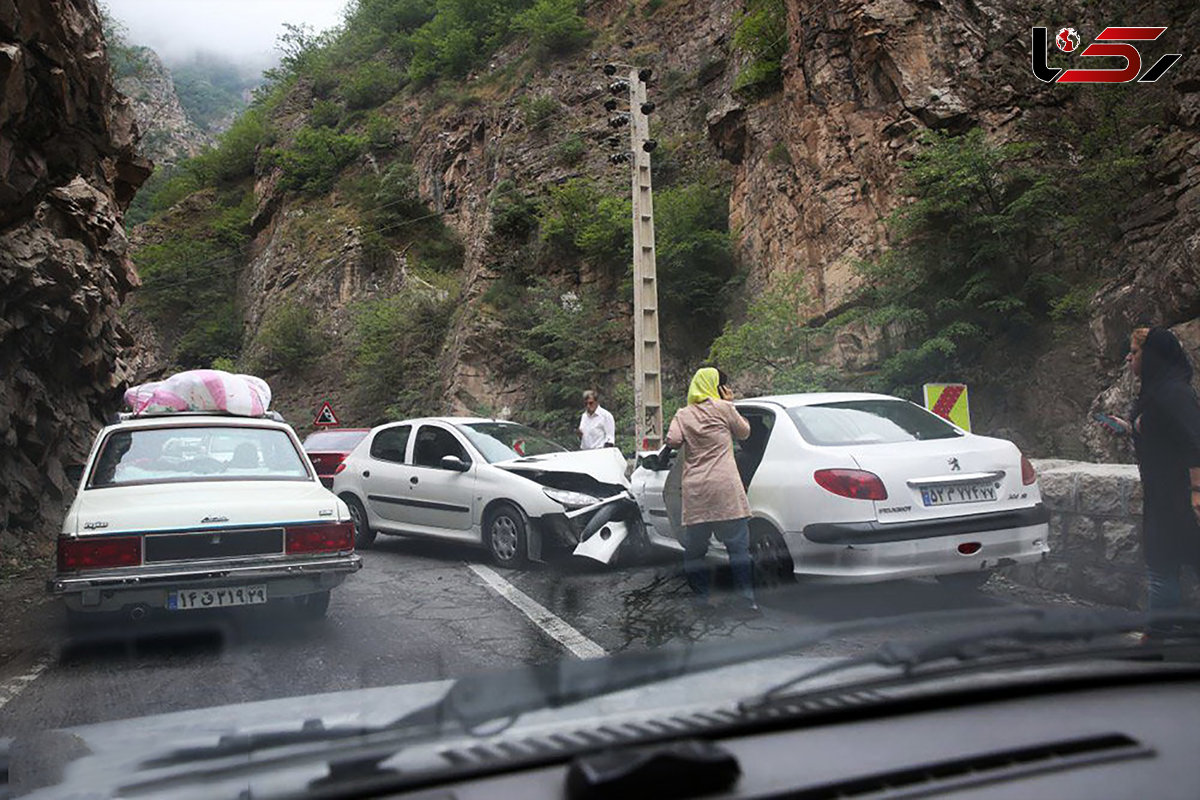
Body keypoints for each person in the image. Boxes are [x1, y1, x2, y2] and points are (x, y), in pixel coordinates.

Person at [1102, 327, 1200, 622]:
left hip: (1181, 500)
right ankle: (1162, 638)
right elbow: (1163, 434)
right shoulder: (1157, 392)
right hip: (1163, 497)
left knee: (1163, 567)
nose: (1129, 358)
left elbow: (1194, 442)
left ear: (1153, 356)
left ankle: (1157, 640)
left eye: (1135, 352)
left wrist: (1196, 492)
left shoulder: (1174, 393)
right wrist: (1129, 427)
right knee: (1165, 565)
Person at [665, 367, 758, 617]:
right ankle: (746, 603)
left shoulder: (683, 414)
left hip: (698, 493)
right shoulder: (724, 409)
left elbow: (672, 441)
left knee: (695, 550)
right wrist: (729, 404)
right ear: (715, 387)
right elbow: (745, 432)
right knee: (738, 548)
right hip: (726, 489)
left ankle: (702, 602)